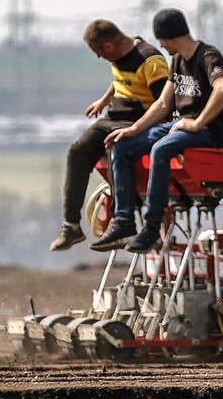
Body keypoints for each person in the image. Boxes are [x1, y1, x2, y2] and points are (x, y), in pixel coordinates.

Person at [101, 7, 223, 253]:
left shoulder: (207, 56)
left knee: (160, 150)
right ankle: (123, 220)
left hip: (206, 132)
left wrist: (197, 123)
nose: (160, 46)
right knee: (121, 148)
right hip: (179, 126)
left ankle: (151, 229)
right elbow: (163, 103)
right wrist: (133, 129)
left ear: (169, 36)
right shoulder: (176, 61)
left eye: (161, 40)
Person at [49, 19, 171, 251]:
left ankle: (123, 222)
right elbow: (120, 80)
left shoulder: (150, 60)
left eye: (98, 52)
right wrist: (104, 101)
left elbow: (163, 104)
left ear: (107, 46)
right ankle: (71, 226)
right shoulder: (118, 57)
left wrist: (137, 131)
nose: (98, 57)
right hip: (113, 117)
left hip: (137, 121)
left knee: (116, 146)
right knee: (78, 150)